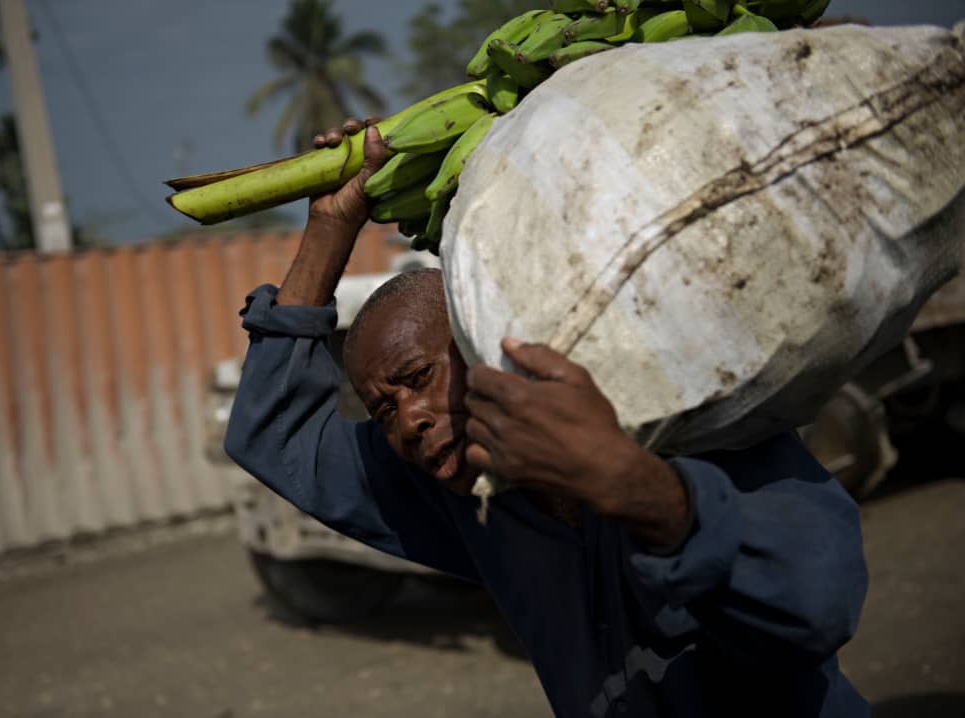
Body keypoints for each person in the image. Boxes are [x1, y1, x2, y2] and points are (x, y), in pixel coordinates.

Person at [224, 120, 870, 718]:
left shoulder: (673, 422)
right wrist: (331, 226)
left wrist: (645, 494)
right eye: (384, 410)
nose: (410, 423)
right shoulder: (461, 502)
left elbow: (823, 601)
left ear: (484, 343)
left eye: (420, 379)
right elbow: (275, 435)